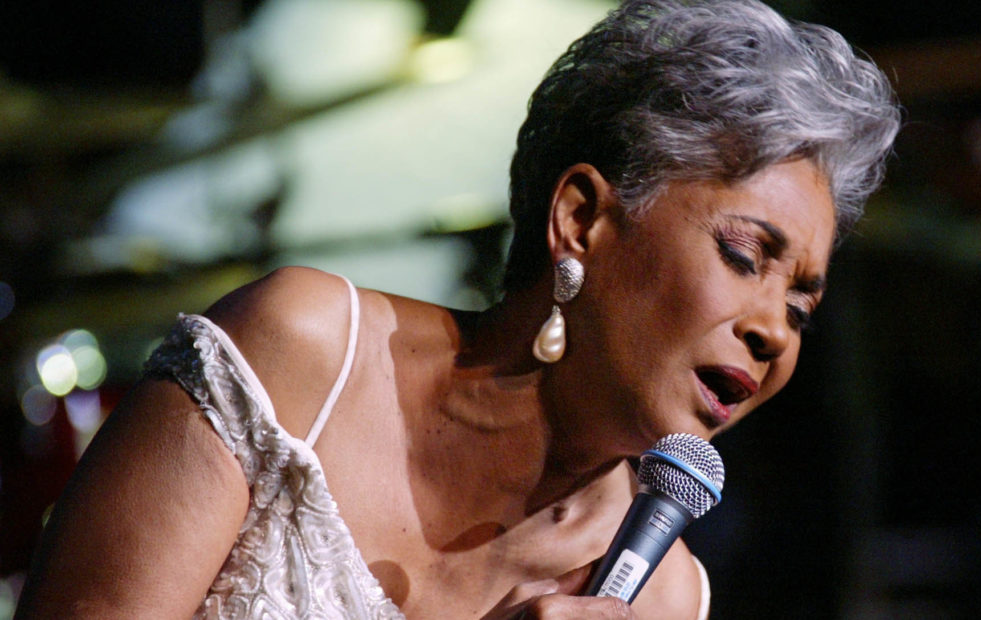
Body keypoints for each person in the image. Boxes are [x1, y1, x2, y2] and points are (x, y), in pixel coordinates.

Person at [16, 0, 899, 617]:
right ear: (582, 220)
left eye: (802, 306)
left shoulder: (662, 596)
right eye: (746, 257)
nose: (774, 330)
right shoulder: (299, 357)